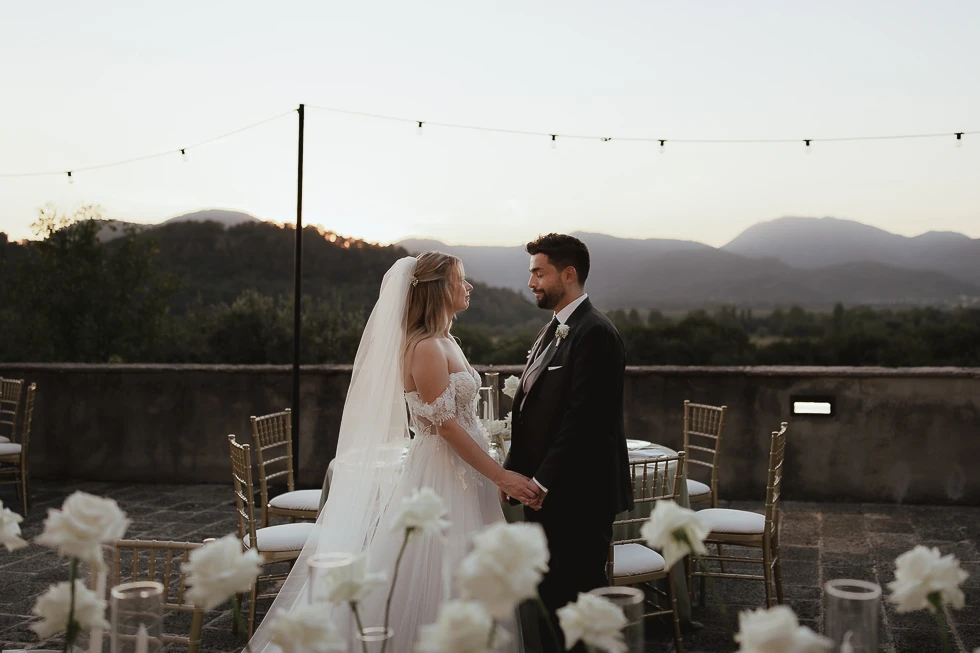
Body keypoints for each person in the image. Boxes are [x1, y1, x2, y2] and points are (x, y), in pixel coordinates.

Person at [247, 252, 541, 653]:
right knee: (442, 562)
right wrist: (500, 474)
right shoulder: (423, 349)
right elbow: (447, 427)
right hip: (441, 473)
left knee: (470, 561)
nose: (468, 287)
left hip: (467, 473)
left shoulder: (447, 340)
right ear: (438, 290)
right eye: (460, 280)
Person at [504, 233, 634, 653]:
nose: (531, 283)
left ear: (569, 274)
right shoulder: (554, 329)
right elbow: (530, 411)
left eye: (539, 273)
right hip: (549, 498)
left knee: (580, 606)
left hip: (578, 497)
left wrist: (541, 482)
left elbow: (586, 421)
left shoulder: (595, 332)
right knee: (554, 602)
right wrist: (513, 473)